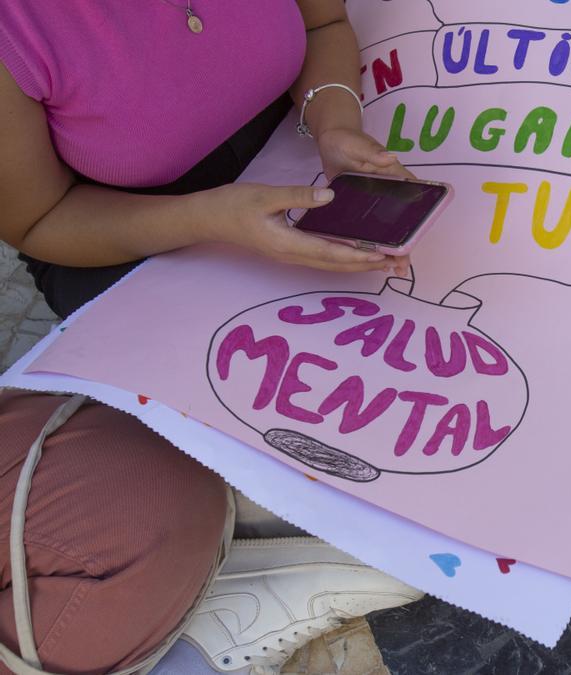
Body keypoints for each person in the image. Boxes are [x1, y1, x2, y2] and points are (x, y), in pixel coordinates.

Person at [0, 2, 425, 672]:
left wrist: (335, 126)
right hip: (121, 237)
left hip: (281, 152)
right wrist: (211, 221)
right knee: (301, 431)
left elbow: (323, 25)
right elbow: (40, 218)